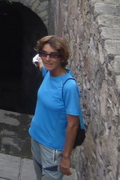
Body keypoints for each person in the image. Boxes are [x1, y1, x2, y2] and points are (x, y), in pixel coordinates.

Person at [29, 35, 83, 179]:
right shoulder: (48, 73)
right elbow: (41, 65)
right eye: (44, 54)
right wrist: (37, 60)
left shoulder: (69, 86)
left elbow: (73, 124)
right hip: (36, 136)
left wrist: (66, 157)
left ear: (62, 57)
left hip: (52, 147)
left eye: (53, 55)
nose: (48, 58)